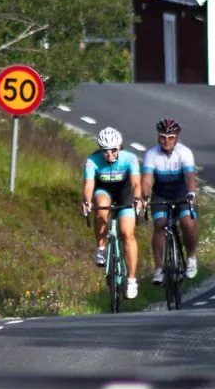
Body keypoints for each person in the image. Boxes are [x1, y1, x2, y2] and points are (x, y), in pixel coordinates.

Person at [82, 126, 145, 300]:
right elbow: (88, 185)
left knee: (127, 233)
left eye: (113, 150)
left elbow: (136, 184)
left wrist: (138, 199)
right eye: (105, 151)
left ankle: (131, 279)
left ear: (119, 147)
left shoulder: (130, 159)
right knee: (101, 208)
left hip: (124, 192)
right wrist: (87, 202)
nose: (109, 154)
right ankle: (101, 248)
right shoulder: (92, 161)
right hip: (104, 191)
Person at [141, 118, 199, 284]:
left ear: (176, 138)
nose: (166, 141)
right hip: (161, 195)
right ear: (158, 137)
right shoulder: (151, 154)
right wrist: (144, 196)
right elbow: (146, 180)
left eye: (170, 137)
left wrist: (191, 194)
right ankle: (159, 268)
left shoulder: (185, 153)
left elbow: (189, 177)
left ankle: (191, 258)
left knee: (188, 223)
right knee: (160, 224)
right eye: (163, 137)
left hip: (182, 194)